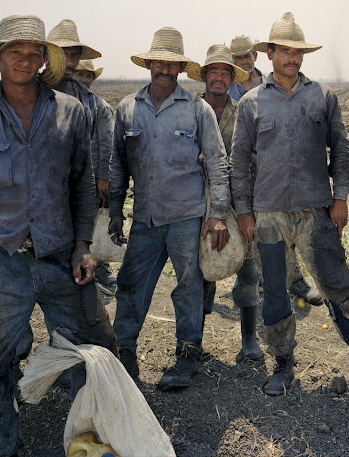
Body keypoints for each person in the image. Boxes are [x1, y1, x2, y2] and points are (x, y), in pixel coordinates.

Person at [231, 12, 349, 412]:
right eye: (285, 51)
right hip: (269, 214)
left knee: (339, 286)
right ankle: (282, 362)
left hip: (315, 210)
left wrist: (340, 197)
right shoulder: (251, 102)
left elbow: (341, 150)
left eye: (298, 51)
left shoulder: (322, 96)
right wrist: (244, 210)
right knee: (275, 291)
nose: (292, 58)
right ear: (269, 53)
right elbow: (238, 162)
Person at [0, 14, 117, 457]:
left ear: (45, 61)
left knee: (90, 355)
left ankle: (87, 443)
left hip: (59, 256)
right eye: (15, 52)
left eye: (34, 54)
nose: (25, 61)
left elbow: (82, 184)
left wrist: (84, 246)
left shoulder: (71, 111)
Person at [108, 27, 230, 390]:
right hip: (145, 217)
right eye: (158, 61)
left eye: (171, 62)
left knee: (189, 286)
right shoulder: (127, 108)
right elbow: (118, 164)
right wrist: (116, 209)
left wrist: (218, 214)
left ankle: (188, 353)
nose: (164, 67)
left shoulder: (196, 108)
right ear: (148, 63)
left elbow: (218, 163)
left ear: (180, 68)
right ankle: (124, 353)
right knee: (131, 285)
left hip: (187, 217)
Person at [229, 34, 322, 306]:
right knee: (249, 227)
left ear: (256, 57)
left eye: (246, 56)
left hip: (276, 168)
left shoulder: (268, 82)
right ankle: (251, 280)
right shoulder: (231, 87)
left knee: (287, 227)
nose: (243, 61)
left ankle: (295, 281)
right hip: (245, 167)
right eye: (237, 58)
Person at [187, 43, 263, 361]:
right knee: (200, 272)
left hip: (241, 203)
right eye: (213, 71)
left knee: (248, 270)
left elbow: (255, 157)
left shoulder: (245, 110)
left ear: (232, 77)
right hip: (197, 206)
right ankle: (194, 342)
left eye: (225, 72)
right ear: (204, 75)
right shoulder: (188, 110)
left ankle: (249, 340)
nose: (219, 77)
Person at [47, 21, 117, 299]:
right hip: (41, 200)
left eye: (74, 55)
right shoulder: (29, 95)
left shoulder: (92, 103)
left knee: (84, 238)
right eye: (63, 53)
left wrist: (103, 177)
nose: (70, 61)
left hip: (79, 188)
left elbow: (106, 142)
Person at [74, 59, 118, 301]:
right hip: (70, 181)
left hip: (91, 181)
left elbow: (107, 144)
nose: (84, 79)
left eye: (88, 75)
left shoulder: (100, 107)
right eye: (80, 74)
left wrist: (104, 178)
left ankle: (102, 270)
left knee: (94, 226)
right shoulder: (61, 103)